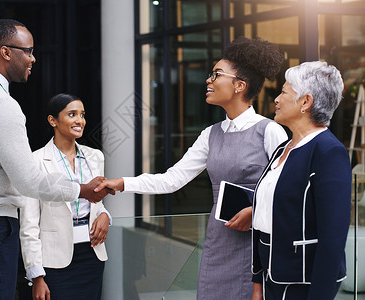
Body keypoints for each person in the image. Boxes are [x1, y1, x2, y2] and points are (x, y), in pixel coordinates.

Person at [95, 37, 288, 300]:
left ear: (240, 85)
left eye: (216, 74)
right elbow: (172, 179)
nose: (208, 80)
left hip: (256, 243)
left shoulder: (270, 131)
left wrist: (255, 210)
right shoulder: (211, 134)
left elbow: (288, 190)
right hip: (219, 240)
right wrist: (122, 183)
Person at [0, 20, 110, 300]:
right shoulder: (2, 104)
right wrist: (81, 190)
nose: (33, 58)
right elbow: (29, 181)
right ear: (6, 52)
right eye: (28, 51)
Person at [251, 61, 351, 300]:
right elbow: (265, 213)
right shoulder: (282, 149)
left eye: (284, 92)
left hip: (302, 283)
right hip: (270, 277)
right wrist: (257, 281)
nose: (276, 99)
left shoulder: (328, 152)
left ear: (306, 102)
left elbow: (333, 237)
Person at [20, 94, 110, 300]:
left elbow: (97, 204)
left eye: (82, 115)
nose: (80, 121)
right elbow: (29, 224)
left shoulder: (95, 157)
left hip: (92, 255)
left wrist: (105, 215)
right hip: (54, 262)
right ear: (53, 120)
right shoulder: (35, 161)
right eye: (72, 114)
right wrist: (37, 276)